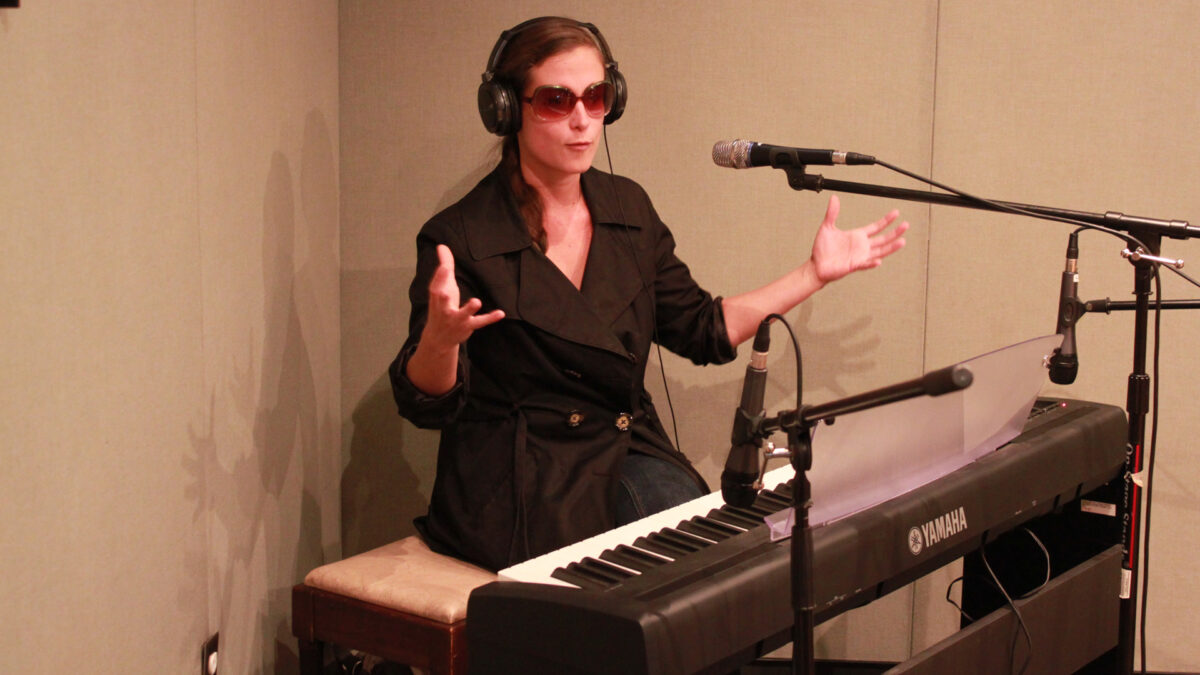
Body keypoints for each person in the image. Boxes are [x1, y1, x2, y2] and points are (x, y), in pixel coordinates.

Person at [390, 16, 907, 572]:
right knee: (671, 573)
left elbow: (702, 329)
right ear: (507, 109)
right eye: (556, 101)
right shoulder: (462, 236)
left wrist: (814, 273)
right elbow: (426, 404)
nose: (583, 120)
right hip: (517, 488)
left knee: (728, 552)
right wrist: (440, 343)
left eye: (597, 96)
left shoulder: (626, 208)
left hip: (625, 456)